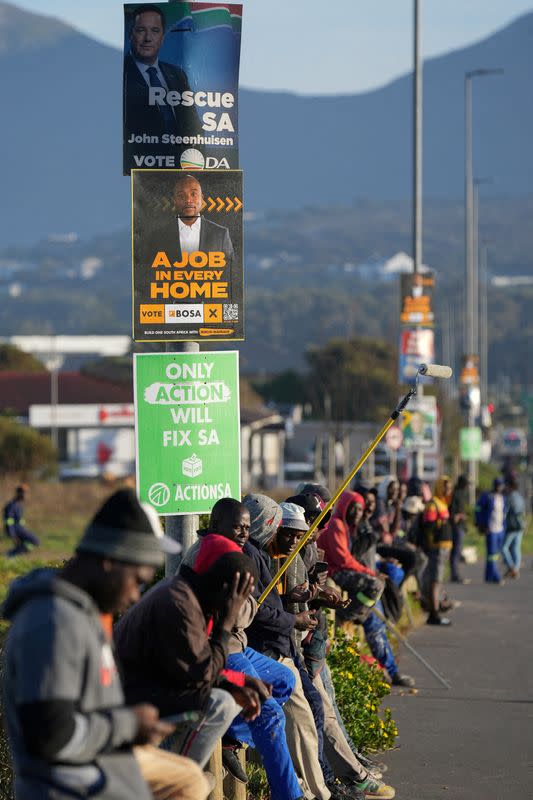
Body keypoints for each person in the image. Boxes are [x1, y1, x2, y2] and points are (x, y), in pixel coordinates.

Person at [2, 488, 210, 800]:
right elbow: (49, 736)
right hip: (74, 789)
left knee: (191, 779)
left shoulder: (84, 614)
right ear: (110, 561)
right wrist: (128, 725)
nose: (137, 595)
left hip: (102, 774)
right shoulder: (53, 622)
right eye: (138, 580)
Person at [180, 498, 304, 800]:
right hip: (219, 648)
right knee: (270, 714)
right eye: (237, 526)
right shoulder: (217, 554)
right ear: (217, 524)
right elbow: (241, 614)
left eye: (248, 528)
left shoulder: (229, 550)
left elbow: (245, 610)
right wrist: (249, 607)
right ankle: (289, 795)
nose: (244, 533)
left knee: (285, 680)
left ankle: (232, 735)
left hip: (237, 643)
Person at [114, 534, 264, 770]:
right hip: (125, 702)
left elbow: (193, 669)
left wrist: (237, 681)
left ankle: (175, 779)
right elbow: (200, 677)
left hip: (148, 690)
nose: (240, 604)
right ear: (226, 589)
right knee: (220, 703)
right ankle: (177, 783)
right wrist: (227, 622)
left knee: (232, 696)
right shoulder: (180, 603)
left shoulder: (192, 596)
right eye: (240, 596)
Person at [318, 490, 414, 689]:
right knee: (374, 614)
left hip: (360, 584)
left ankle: (390, 670)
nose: (361, 511)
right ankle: (349, 615)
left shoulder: (357, 527)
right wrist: (370, 573)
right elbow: (344, 559)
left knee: (377, 627)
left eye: (364, 507)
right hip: (347, 578)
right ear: (345, 506)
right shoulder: (341, 525)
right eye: (357, 507)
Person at [124, 4, 201, 139]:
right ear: (130, 34)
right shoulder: (121, 73)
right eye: (141, 30)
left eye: (155, 30)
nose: (148, 38)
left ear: (162, 37)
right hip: (140, 157)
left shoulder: (177, 75)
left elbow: (193, 126)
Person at [421, 477, 454, 624]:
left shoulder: (443, 503)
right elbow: (429, 527)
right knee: (435, 580)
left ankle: (435, 608)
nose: (448, 490)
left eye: (449, 488)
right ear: (439, 487)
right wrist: (431, 542)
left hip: (445, 547)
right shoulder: (433, 504)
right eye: (445, 487)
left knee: (438, 580)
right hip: (437, 548)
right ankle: (434, 613)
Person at [475, 477, 507, 584]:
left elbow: (504, 513)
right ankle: (496, 576)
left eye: (501, 485)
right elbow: (478, 509)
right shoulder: (487, 496)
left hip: (500, 529)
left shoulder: (502, 497)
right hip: (491, 529)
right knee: (492, 554)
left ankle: (489, 576)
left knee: (494, 554)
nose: (499, 487)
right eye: (498, 485)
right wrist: (481, 524)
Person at [3, 484, 40, 557]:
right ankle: (10, 554)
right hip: (16, 530)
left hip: (21, 529)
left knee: (22, 546)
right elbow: (9, 521)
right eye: (24, 492)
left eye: (26, 493)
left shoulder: (19, 505)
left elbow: (20, 520)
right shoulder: (11, 505)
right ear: (19, 493)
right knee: (35, 541)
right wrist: (12, 535)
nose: (26, 495)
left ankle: (9, 555)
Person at [502, 475, 526, 578]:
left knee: (503, 548)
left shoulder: (509, 497)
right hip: (520, 526)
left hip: (512, 526)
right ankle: (515, 569)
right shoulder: (520, 497)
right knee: (516, 549)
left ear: (509, 486)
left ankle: (512, 567)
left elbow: (505, 512)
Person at [448, 475, 469, 583]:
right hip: (456, 526)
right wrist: (458, 516)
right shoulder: (456, 493)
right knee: (456, 551)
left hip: (461, 526)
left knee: (457, 551)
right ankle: (454, 575)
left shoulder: (460, 493)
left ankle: (455, 574)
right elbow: (452, 511)